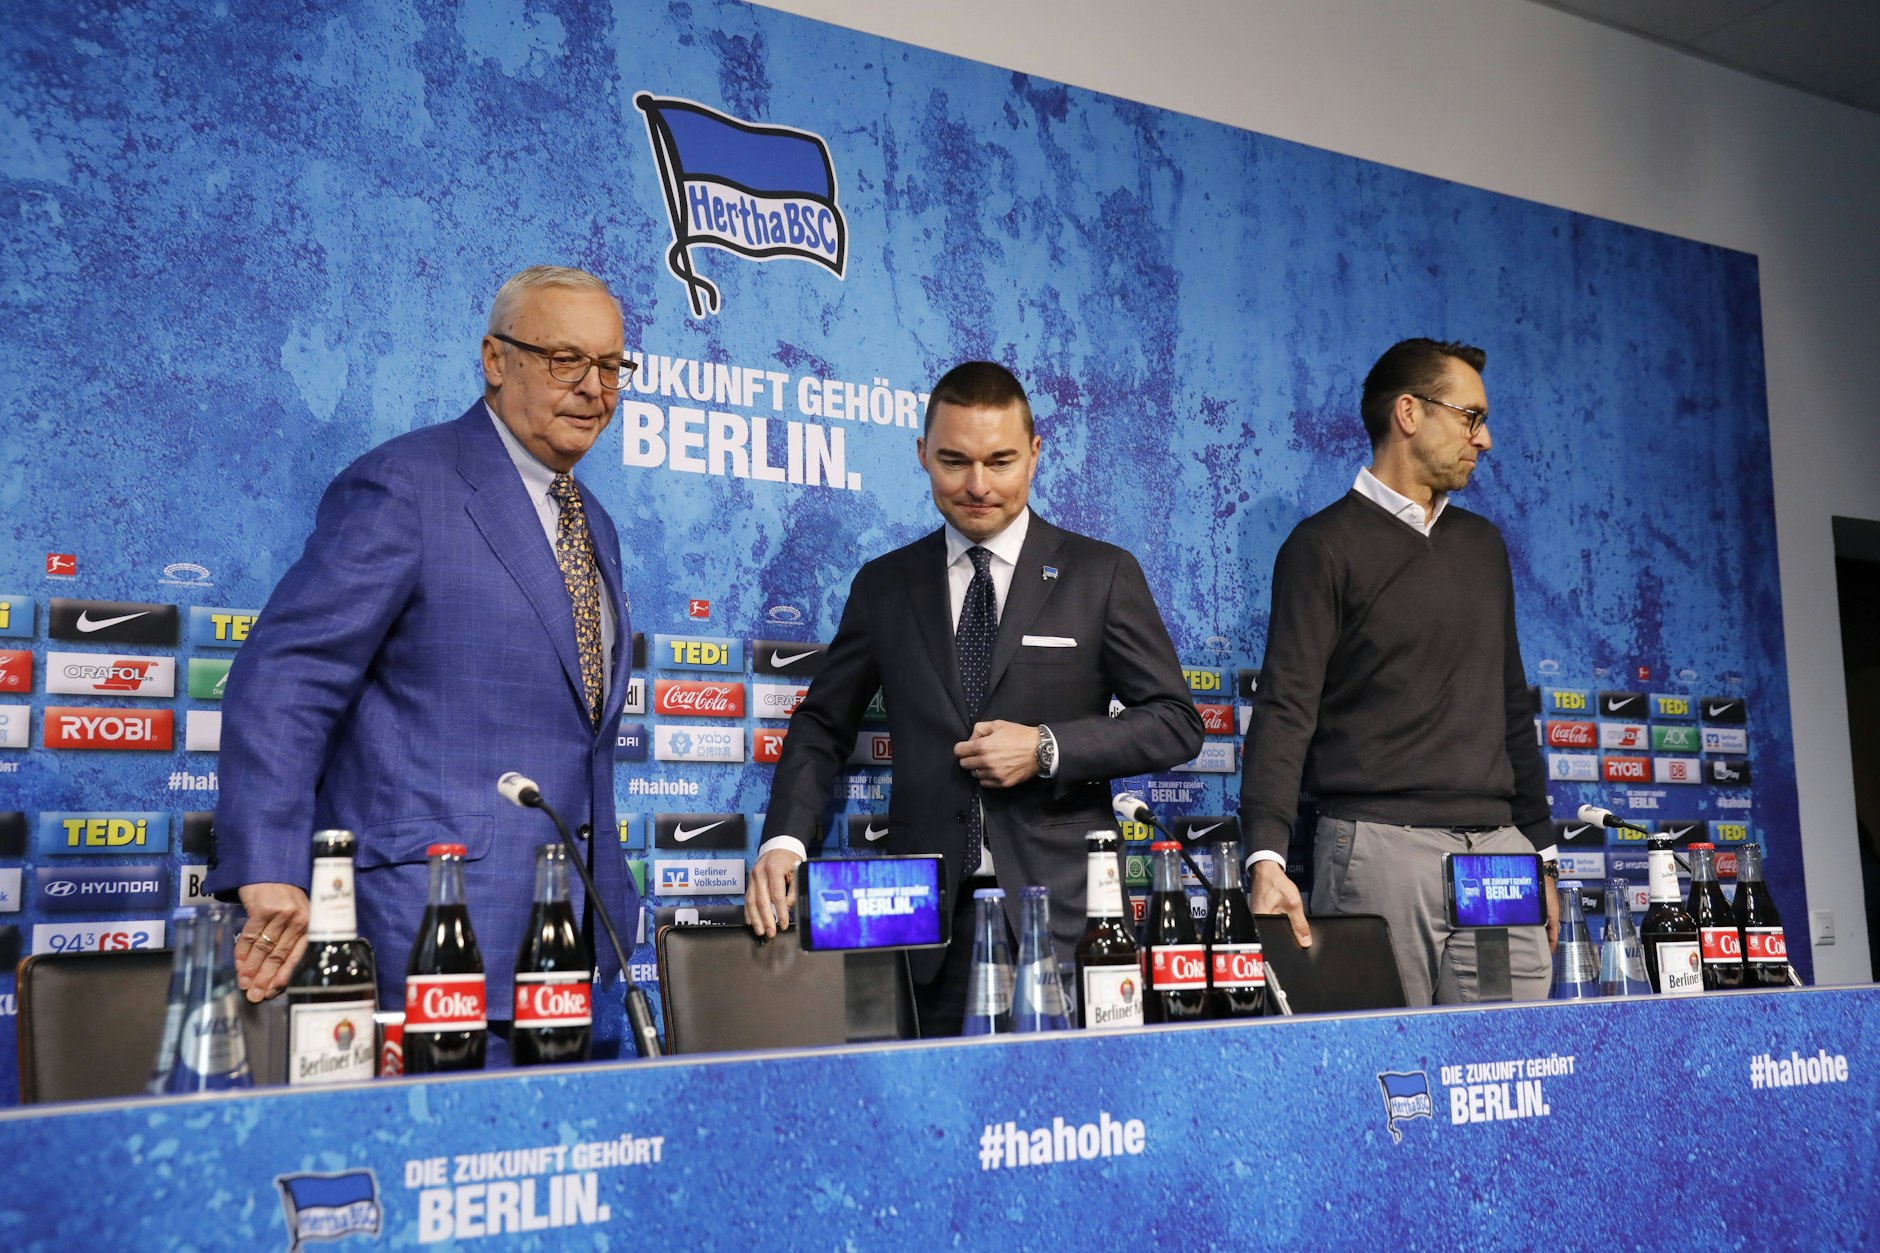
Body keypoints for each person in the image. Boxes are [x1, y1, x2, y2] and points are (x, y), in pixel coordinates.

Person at [205, 266, 641, 1046]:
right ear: (496, 358)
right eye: (565, 359)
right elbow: (287, 675)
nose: (594, 387)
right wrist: (269, 866)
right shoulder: (405, 484)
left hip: (573, 943)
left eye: (611, 366)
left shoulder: (595, 523)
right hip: (430, 939)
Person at [746, 361, 1203, 1035]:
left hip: (1066, 925)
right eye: (955, 460)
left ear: (1036, 452)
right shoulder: (885, 585)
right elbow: (821, 724)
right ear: (923, 454)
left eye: (1001, 460)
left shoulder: (1101, 574)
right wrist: (785, 839)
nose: (978, 485)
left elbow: (1176, 723)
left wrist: (1049, 747)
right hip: (923, 932)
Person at [1239, 338, 1558, 1005]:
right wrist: (1266, 856)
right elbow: (1285, 708)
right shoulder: (1321, 546)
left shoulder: (1484, 546)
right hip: (1379, 850)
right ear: (1408, 413)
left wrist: (1544, 856)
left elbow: (1508, 706)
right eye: (1471, 417)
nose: (1486, 438)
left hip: (1499, 863)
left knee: (1503, 1072)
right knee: (1385, 1078)